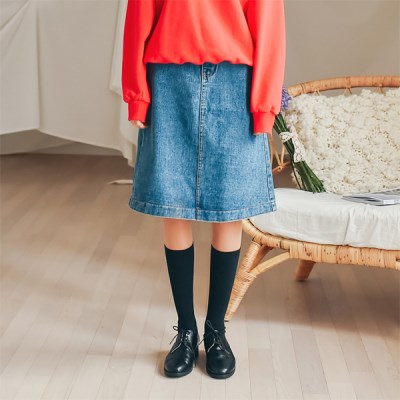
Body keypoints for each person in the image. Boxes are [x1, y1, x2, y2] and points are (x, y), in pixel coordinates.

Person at [121, 0, 286, 379]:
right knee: (172, 204)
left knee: (228, 210)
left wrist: (264, 105)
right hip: (168, 78)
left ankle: (215, 331)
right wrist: (137, 94)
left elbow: (269, 22)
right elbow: (140, 13)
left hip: (236, 81)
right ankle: (186, 330)